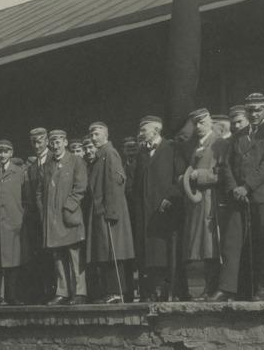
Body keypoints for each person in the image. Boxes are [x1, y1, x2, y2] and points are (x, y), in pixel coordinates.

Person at [212, 93, 264, 301]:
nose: (254, 114)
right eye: (250, 110)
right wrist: (235, 188)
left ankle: (263, 287)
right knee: (232, 242)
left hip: (260, 196)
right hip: (237, 197)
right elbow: (226, 164)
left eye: (258, 109)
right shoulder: (237, 136)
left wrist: (247, 186)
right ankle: (229, 288)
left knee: (262, 241)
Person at [128, 116, 183, 301]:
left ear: (156, 130)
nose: (140, 133)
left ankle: (164, 290)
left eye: (144, 130)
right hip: (145, 211)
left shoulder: (171, 147)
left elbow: (180, 177)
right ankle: (149, 291)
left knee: (162, 251)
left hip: (164, 210)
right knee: (147, 251)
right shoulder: (142, 152)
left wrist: (170, 197)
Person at [85, 122, 135, 303]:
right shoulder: (100, 156)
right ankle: (110, 291)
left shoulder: (109, 154)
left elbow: (114, 183)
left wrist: (111, 212)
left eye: (96, 134)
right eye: (91, 135)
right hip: (101, 212)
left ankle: (117, 291)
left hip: (109, 213)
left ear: (105, 135)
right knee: (105, 252)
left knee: (114, 251)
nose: (93, 138)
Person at [37, 129, 88, 305]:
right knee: (58, 256)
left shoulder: (76, 161)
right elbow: (40, 191)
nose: (55, 145)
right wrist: (44, 211)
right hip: (52, 218)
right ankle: (62, 292)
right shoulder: (47, 165)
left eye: (59, 142)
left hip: (69, 216)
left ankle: (79, 292)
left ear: (65, 143)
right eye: (53, 142)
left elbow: (80, 187)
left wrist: (68, 207)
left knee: (74, 254)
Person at [0, 140, 29, 311]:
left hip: (13, 222)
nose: (2, 155)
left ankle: (12, 296)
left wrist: (20, 216)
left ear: (11, 153)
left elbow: (25, 197)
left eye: (6, 152)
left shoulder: (19, 172)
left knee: (13, 259)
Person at [180, 109, 222, 298]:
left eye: (202, 122)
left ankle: (212, 287)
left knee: (211, 244)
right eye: (195, 123)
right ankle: (207, 287)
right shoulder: (195, 145)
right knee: (202, 246)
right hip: (197, 201)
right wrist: (186, 176)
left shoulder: (218, 143)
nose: (198, 127)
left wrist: (200, 174)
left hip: (211, 200)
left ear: (211, 122)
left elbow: (221, 172)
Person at [24, 127, 54, 304]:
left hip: (53, 215)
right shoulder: (33, 166)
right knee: (41, 255)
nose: (37, 145)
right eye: (34, 142)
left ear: (47, 141)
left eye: (40, 141)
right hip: (37, 217)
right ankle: (44, 291)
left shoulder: (54, 158)